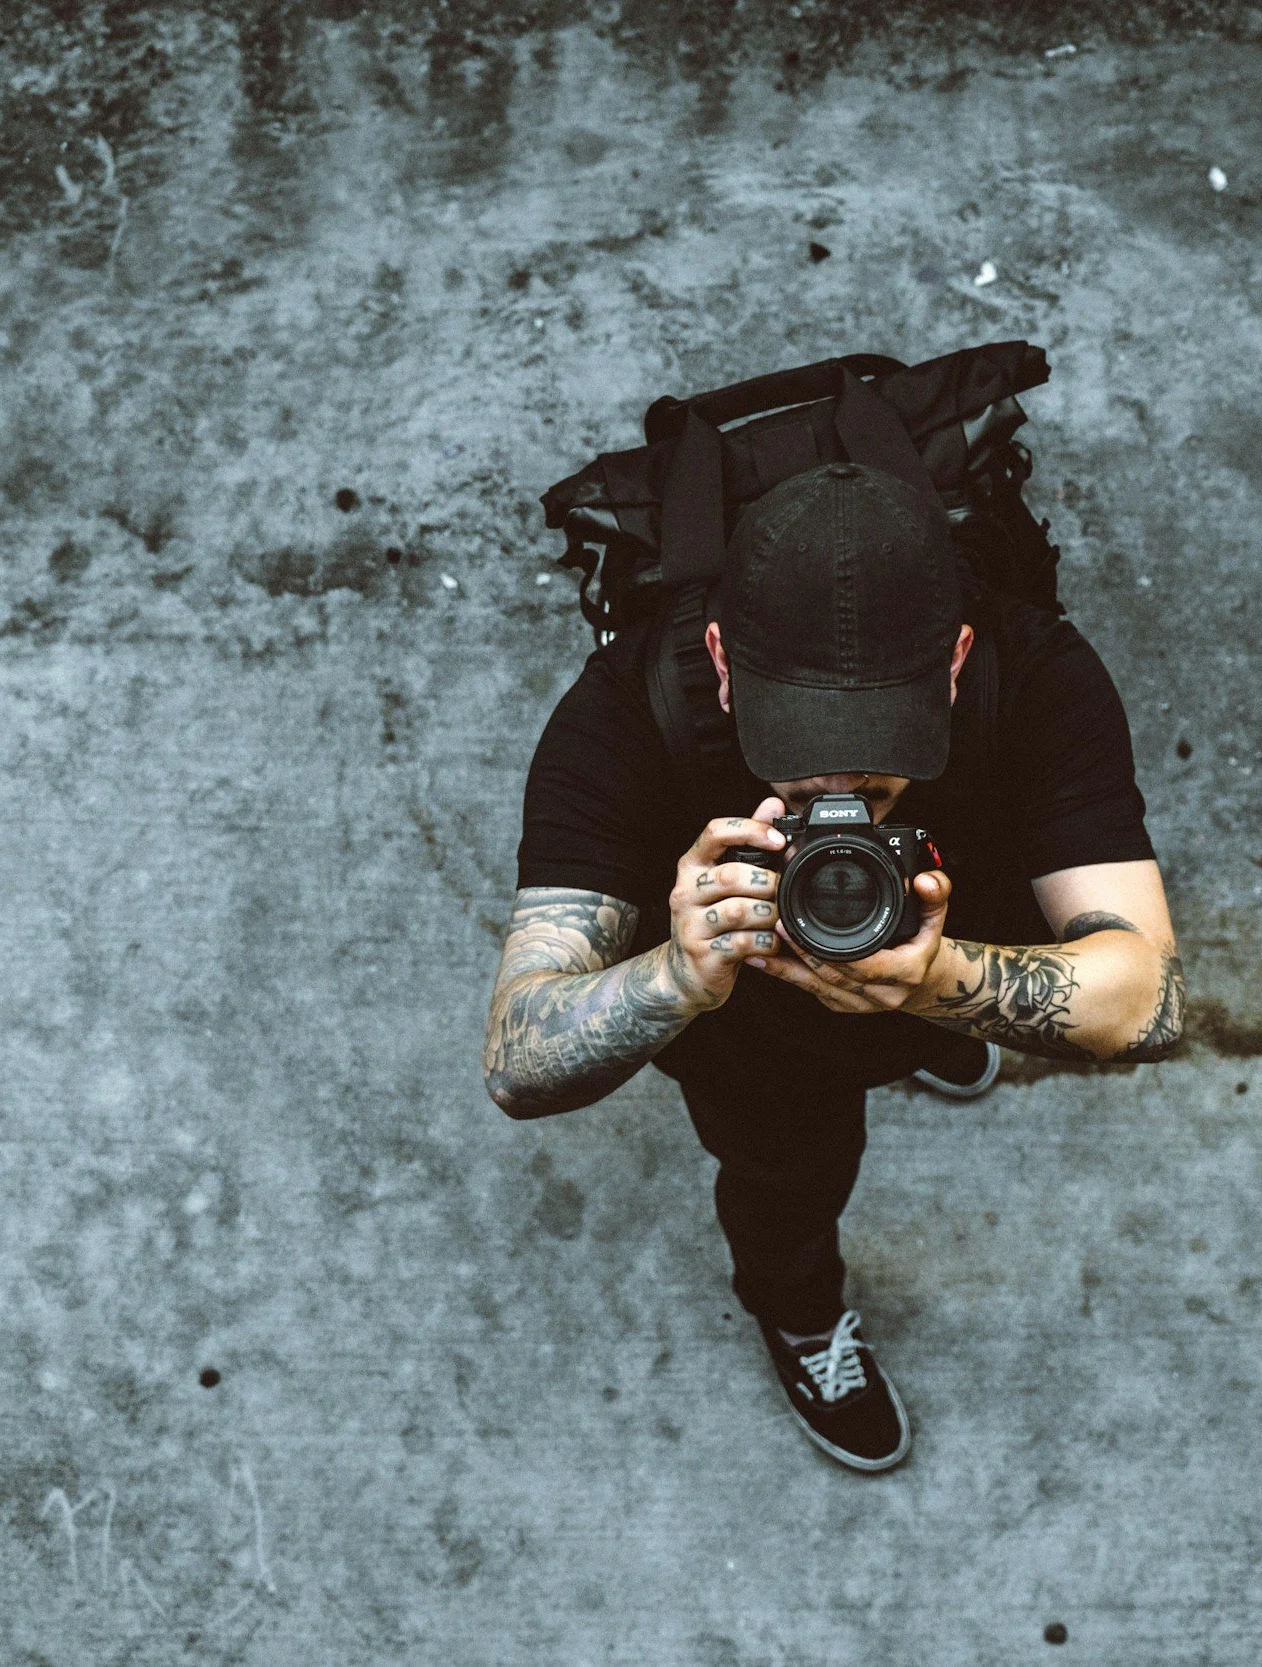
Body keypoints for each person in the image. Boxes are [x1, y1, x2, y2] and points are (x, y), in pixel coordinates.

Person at [483, 459, 1184, 1472]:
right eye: (800, 741)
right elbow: (516, 1056)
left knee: (961, 1012)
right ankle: (801, 1316)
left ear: (954, 661)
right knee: (788, 1185)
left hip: (950, 952)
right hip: (754, 1044)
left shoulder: (1038, 675)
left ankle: (927, 1035)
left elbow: (1152, 999)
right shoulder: (624, 716)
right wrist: (678, 973)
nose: (838, 789)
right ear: (722, 662)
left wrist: (943, 984)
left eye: (883, 741)